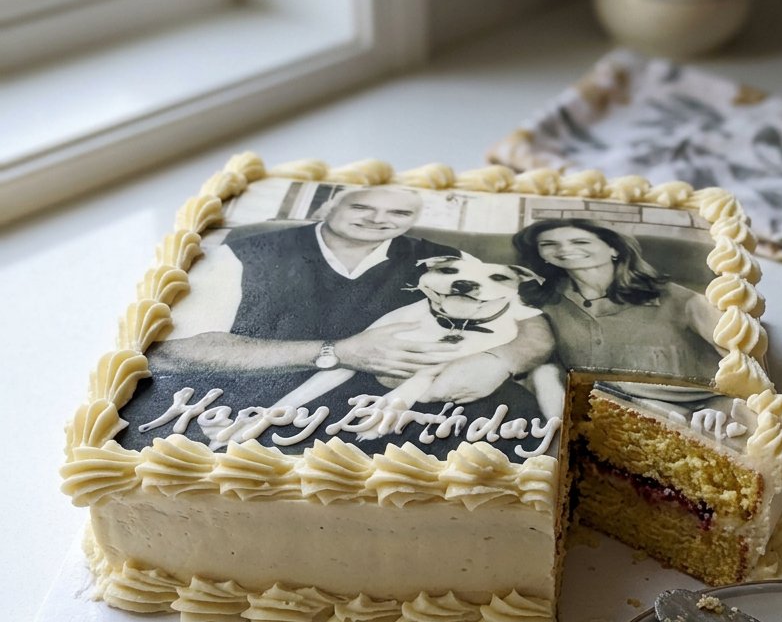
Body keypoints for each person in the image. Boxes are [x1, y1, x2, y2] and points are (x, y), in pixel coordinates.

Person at [119, 185, 555, 454]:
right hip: (257, 401)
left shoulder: (442, 263)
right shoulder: (247, 252)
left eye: (399, 213)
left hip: (402, 408)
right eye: (363, 207)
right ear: (327, 205)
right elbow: (174, 353)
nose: (380, 219)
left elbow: (530, 323)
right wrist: (337, 352)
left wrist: (500, 360)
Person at [512, 218, 721, 383]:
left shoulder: (684, 301)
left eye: (580, 241)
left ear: (614, 249)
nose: (564, 250)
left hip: (694, 413)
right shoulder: (540, 301)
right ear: (542, 254)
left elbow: (741, 361)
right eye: (548, 244)